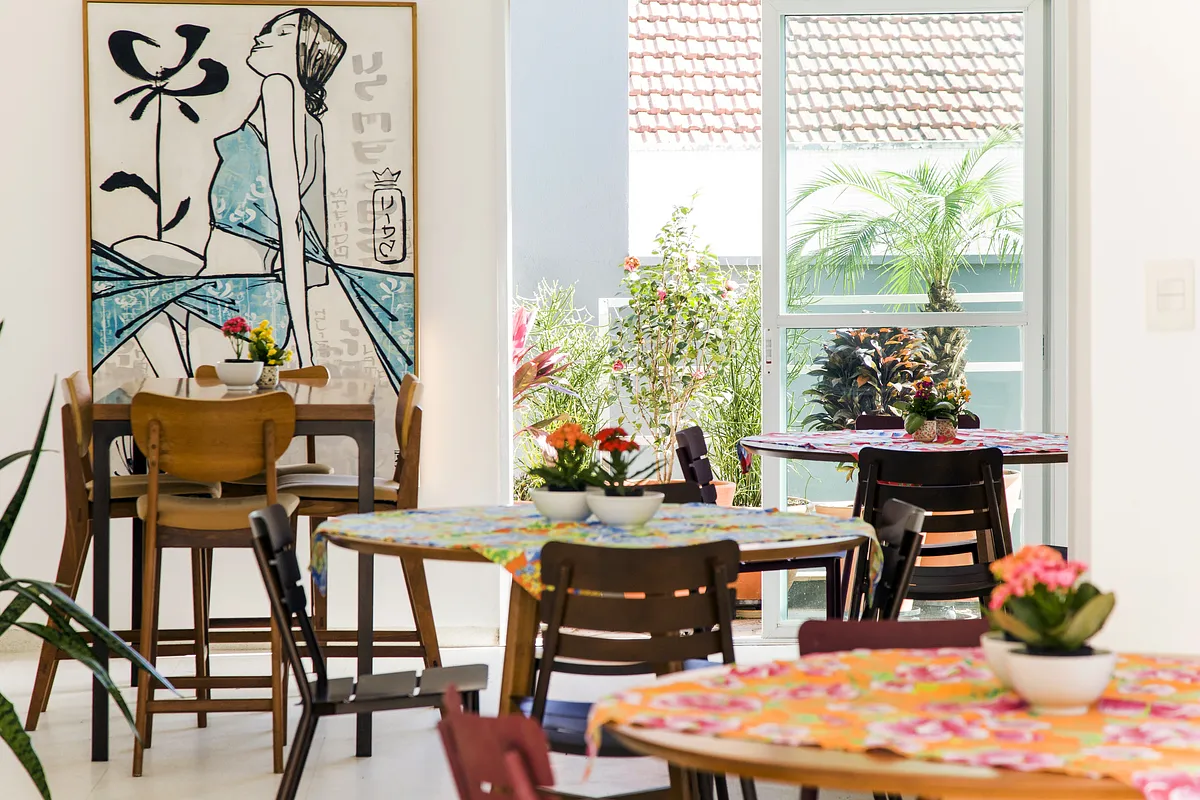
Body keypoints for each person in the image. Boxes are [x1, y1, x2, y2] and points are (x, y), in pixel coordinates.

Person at [91, 8, 413, 386]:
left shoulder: (279, 87)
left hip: (235, 295)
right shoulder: (306, 121)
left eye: (283, 31)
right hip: (235, 287)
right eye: (268, 28)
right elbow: (297, 226)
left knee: (211, 408)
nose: (264, 35)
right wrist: (300, 337)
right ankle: (174, 394)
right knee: (130, 257)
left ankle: (173, 396)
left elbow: (292, 223)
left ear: (307, 52)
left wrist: (305, 350)